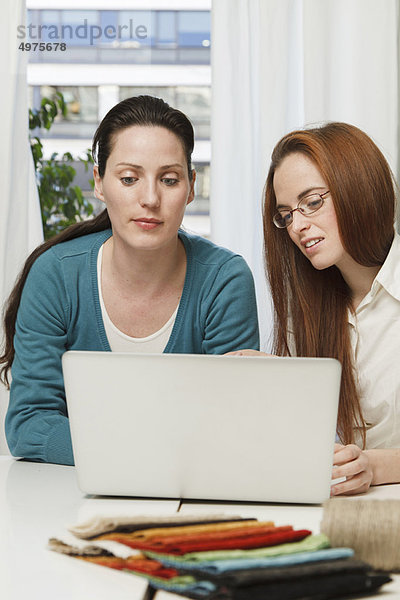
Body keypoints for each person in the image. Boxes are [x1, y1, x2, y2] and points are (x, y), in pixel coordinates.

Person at [0, 95, 259, 466]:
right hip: (71, 496)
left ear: (191, 186)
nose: (150, 198)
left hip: (191, 496)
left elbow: (233, 425)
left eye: (169, 180)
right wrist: (137, 453)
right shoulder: (56, 274)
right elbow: (29, 424)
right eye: (129, 178)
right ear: (100, 183)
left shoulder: (224, 280)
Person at [235, 122, 400, 495]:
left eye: (311, 202)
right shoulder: (310, 310)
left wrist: (374, 466)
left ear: (357, 187)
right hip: (332, 512)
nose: (298, 226)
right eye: (287, 215)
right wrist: (276, 381)